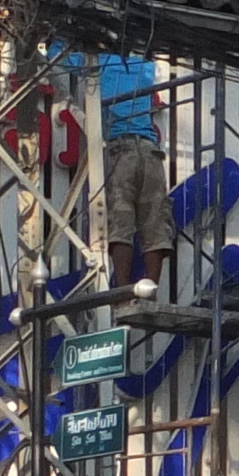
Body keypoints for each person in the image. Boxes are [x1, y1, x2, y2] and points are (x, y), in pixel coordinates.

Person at [87, 50, 171, 294]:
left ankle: (123, 292)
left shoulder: (96, 61)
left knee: (120, 220)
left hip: (121, 149)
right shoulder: (144, 65)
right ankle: (150, 291)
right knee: (155, 221)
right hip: (150, 149)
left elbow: (55, 55)